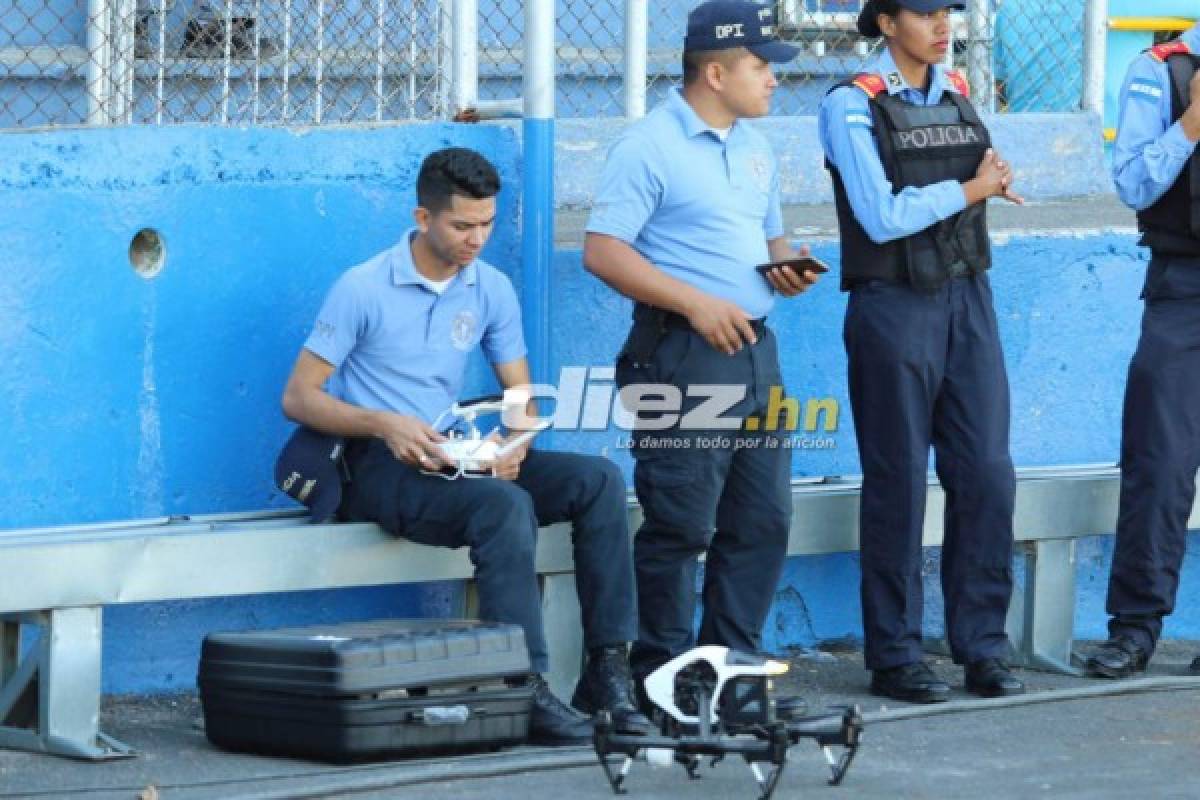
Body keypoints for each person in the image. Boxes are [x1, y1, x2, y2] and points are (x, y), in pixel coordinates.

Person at [280, 146, 652, 744]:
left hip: (458, 457)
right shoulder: (363, 288)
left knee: (596, 481)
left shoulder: (490, 288)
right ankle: (517, 688)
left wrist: (515, 444)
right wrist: (386, 424)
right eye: (462, 225)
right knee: (503, 508)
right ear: (423, 218)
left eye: (486, 223)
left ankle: (607, 672)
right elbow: (299, 398)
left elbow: (521, 395)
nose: (476, 238)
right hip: (379, 466)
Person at [583, 0, 819, 706]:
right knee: (683, 522)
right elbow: (603, 251)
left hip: (753, 350)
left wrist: (787, 267)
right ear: (714, 72)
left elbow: (768, 242)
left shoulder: (754, 146)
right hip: (682, 353)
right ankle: (660, 676)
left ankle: (730, 675)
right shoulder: (649, 145)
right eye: (758, 67)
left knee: (763, 519)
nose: (772, 80)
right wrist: (693, 301)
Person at [817, 0, 1025, 703]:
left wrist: (990, 177)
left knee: (988, 474)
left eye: (948, 11)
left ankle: (983, 648)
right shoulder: (852, 104)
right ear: (884, 23)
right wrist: (973, 186)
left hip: (969, 297)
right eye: (924, 11)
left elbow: (985, 172)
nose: (943, 25)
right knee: (899, 483)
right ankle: (897, 655)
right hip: (894, 305)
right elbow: (880, 218)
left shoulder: (960, 92)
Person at [1087, 22, 1200, 679]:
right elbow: (1132, 182)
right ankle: (1134, 629)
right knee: (1160, 464)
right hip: (1184, 290)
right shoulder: (1160, 69)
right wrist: (1191, 125)